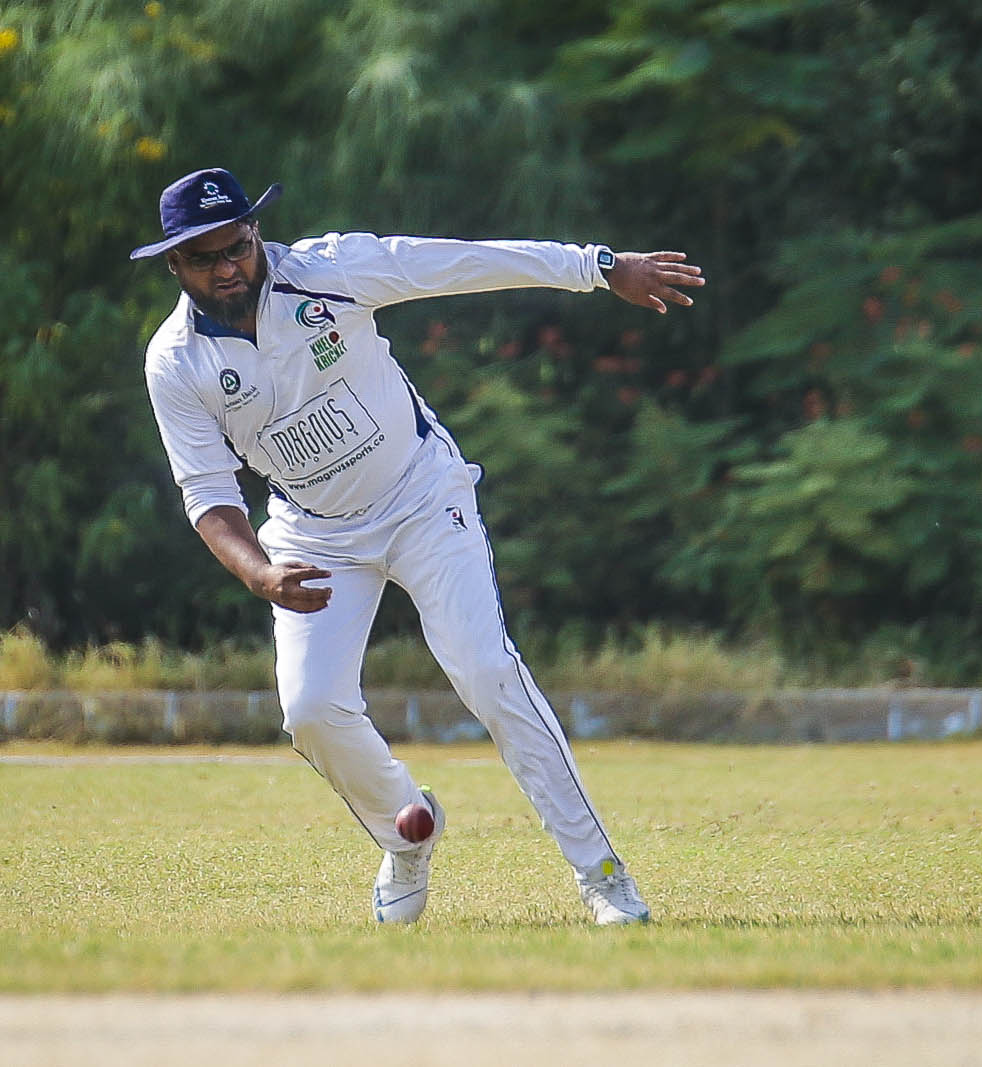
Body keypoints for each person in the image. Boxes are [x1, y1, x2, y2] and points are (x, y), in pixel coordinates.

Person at [130, 167, 704, 926]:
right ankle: (406, 832)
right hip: (313, 533)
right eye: (205, 259)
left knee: (488, 671)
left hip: (422, 499)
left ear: (256, 232)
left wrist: (599, 267)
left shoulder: (330, 272)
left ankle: (602, 875)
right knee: (310, 710)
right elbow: (207, 494)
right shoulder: (175, 360)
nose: (228, 268)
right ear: (175, 264)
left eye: (237, 246)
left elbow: (465, 261)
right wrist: (259, 572)